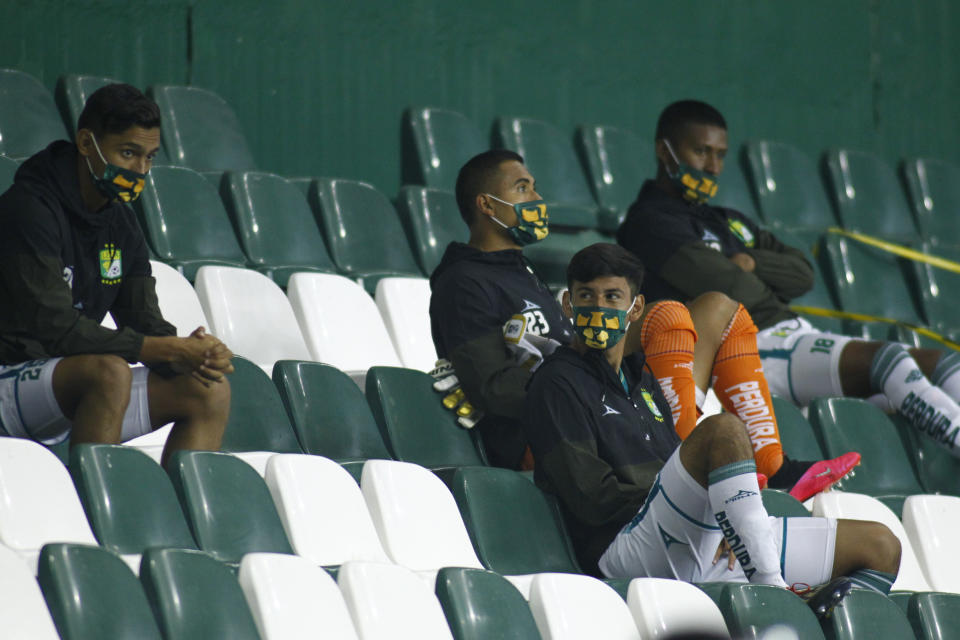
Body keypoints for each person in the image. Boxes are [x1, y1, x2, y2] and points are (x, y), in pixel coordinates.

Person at [429, 150, 856, 500]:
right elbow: (492, 387)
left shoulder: (518, 270)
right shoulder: (463, 282)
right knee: (670, 317)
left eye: (535, 186)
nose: (537, 198)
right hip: (553, 433)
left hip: (592, 397)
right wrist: (585, 388)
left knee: (720, 309)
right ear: (486, 205)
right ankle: (686, 467)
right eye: (522, 188)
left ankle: (771, 466)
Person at [523, 243, 901, 617]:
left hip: (690, 536)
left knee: (880, 546)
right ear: (568, 305)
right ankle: (774, 592)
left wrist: (718, 520)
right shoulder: (556, 382)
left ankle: (802, 619)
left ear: (635, 308)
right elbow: (591, 498)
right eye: (586, 296)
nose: (599, 308)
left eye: (612, 297)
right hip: (623, 547)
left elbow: (675, 467)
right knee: (723, 431)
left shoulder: (643, 379)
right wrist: (708, 514)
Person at [618, 99, 960, 460]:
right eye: (701, 151)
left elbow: (802, 273)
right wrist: (755, 276)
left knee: (945, 365)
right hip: (749, 347)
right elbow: (731, 289)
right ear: (663, 149)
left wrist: (749, 261)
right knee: (886, 361)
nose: (713, 167)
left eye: (720, 155)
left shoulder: (727, 219)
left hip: (790, 334)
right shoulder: (648, 222)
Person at [0, 83, 232, 466]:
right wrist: (163, 348)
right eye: (128, 153)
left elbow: (144, 320)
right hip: (12, 374)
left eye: (150, 157)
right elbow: (55, 329)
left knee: (208, 390)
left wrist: (194, 355)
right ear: (86, 143)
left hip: (69, 386)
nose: (140, 170)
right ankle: (91, 521)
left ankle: (174, 521)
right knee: (109, 372)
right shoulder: (28, 209)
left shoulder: (121, 221)